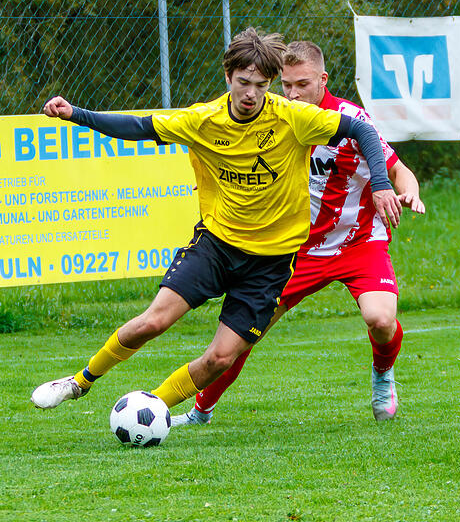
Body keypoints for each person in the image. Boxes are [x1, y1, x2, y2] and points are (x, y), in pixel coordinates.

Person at [30, 28, 402, 413]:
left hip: (271, 263)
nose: (251, 94)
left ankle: (154, 409)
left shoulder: (292, 117)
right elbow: (139, 128)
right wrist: (75, 114)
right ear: (228, 77)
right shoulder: (203, 120)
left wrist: (380, 184)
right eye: (243, 83)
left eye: (261, 85)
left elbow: (361, 129)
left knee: (220, 358)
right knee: (153, 322)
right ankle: (78, 382)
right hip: (217, 245)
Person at [172, 40, 425, 425]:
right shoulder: (274, 117)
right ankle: (201, 411)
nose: (292, 93)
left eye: (302, 84)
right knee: (245, 334)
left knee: (381, 319)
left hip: (358, 243)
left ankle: (382, 375)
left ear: (323, 80)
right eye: (286, 85)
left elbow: (397, 169)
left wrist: (407, 191)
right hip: (296, 251)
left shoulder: (350, 119)